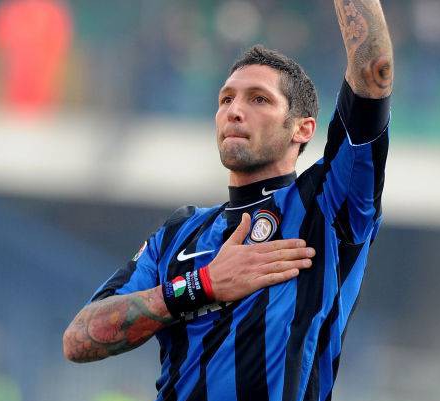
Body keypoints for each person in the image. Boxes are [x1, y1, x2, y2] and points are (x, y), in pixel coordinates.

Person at [63, 1, 393, 400]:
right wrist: (203, 285)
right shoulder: (179, 233)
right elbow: (79, 339)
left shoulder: (327, 206)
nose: (235, 111)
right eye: (226, 99)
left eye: (259, 99)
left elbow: (373, 67)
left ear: (302, 129)